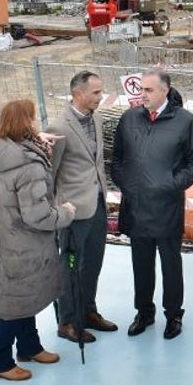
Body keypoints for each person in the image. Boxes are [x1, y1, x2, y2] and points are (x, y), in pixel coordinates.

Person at [0, 99, 77, 381]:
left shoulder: (3, 150)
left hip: (13, 237)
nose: (37, 123)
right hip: (28, 241)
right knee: (15, 301)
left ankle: (28, 346)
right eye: (33, 118)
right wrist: (65, 213)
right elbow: (37, 215)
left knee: (27, 294)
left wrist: (39, 144)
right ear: (25, 122)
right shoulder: (28, 167)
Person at [112, 69, 193, 340]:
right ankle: (144, 312)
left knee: (170, 265)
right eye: (141, 89)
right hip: (136, 207)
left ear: (165, 91)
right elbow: (116, 158)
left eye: (149, 90)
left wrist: (172, 185)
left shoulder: (185, 121)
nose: (143, 94)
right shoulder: (129, 118)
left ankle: (173, 315)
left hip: (167, 208)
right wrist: (125, 184)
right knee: (140, 264)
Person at [47, 71, 117, 345]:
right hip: (73, 211)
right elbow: (51, 173)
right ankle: (67, 321)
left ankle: (88, 312)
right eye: (96, 93)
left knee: (93, 263)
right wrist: (56, 209)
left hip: (97, 204)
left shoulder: (96, 119)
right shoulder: (59, 128)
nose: (101, 97)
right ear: (78, 93)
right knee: (71, 266)